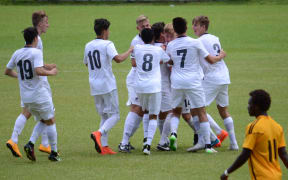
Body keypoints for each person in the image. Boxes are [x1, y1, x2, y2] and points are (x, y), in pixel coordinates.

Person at [166, 17, 226, 153]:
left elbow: (170, 61)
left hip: (177, 81)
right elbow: (210, 60)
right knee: (201, 112)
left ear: (174, 30)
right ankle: (208, 146)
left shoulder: (171, 45)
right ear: (186, 28)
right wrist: (221, 56)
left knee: (176, 111)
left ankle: (174, 134)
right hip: (193, 81)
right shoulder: (195, 42)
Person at [5, 27, 60, 161]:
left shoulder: (17, 53)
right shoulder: (36, 52)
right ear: (35, 38)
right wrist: (51, 72)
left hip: (26, 97)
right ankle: (54, 152)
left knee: (42, 119)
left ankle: (28, 143)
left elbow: (7, 71)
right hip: (39, 94)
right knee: (50, 120)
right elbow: (38, 70)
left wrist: (20, 77)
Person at [85, 18, 133, 155]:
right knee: (115, 115)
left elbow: (86, 63)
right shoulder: (107, 44)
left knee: (105, 115)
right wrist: (129, 50)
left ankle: (104, 146)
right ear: (105, 31)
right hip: (107, 85)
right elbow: (118, 59)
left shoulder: (88, 45)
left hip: (94, 85)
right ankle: (98, 133)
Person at [190, 15, 238, 150]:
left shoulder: (199, 41)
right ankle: (234, 144)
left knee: (196, 109)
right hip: (224, 76)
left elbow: (209, 60)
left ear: (203, 27)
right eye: (193, 24)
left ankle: (205, 140)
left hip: (212, 78)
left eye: (196, 25)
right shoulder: (215, 38)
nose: (194, 28)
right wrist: (221, 56)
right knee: (223, 109)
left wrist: (219, 57)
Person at [220, 89, 288, 180]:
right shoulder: (277, 127)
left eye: (249, 104)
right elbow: (283, 155)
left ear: (256, 107)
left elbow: (245, 154)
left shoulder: (254, 127)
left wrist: (227, 172)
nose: (248, 107)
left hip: (262, 177)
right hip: (277, 176)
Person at [133, 28, 170, 155]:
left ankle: (145, 139)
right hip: (154, 86)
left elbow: (134, 62)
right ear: (153, 37)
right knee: (154, 115)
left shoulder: (137, 48)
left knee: (145, 112)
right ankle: (148, 145)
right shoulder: (158, 50)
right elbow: (167, 60)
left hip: (140, 86)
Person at [119, 15, 151, 153]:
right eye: (143, 27)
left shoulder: (150, 37)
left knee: (143, 110)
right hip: (135, 79)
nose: (146, 28)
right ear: (138, 28)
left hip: (144, 80)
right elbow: (133, 63)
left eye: (148, 25)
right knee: (136, 108)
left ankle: (128, 140)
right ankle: (124, 142)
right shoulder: (136, 41)